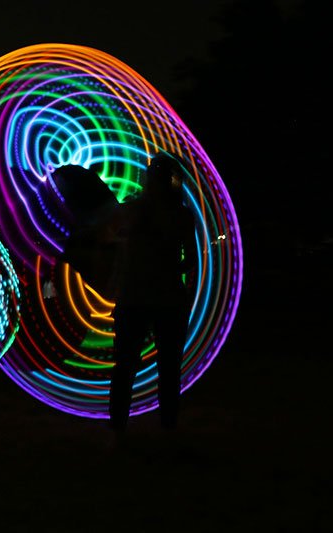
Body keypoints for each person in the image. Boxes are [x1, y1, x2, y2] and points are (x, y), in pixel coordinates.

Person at [108, 154, 196, 431]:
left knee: (127, 368)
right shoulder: (179, 214)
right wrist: (167, 264)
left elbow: (109, 245)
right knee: (166, 371)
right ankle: (164, 433)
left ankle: (119, 434)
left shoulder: (132, 211)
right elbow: (190, 261)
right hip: (164, 300)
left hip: (138, 299)